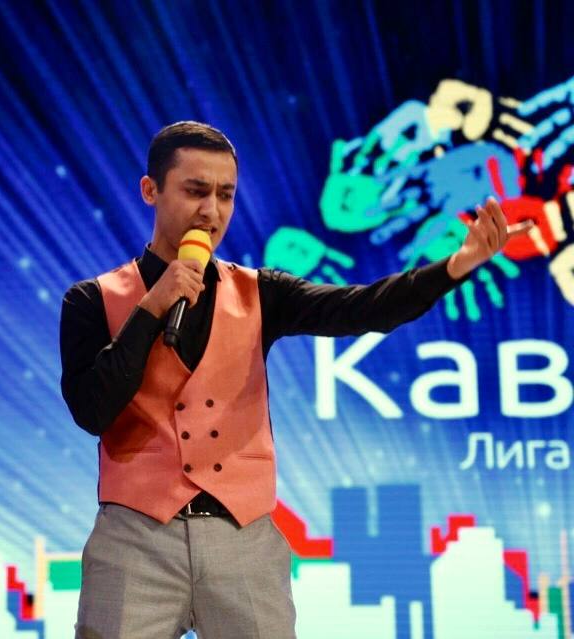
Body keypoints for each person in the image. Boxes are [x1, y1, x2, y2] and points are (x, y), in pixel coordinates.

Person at [59, 121, 529, 638]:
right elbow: (92, 411)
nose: (211, 211)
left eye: (225, 195)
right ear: (151, 190)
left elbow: (362, 308)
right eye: (195, 191)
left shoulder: (261, 292)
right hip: (136, 539)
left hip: (242, 536)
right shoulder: (92, 300)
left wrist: (456, 265)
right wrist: (152, 308)